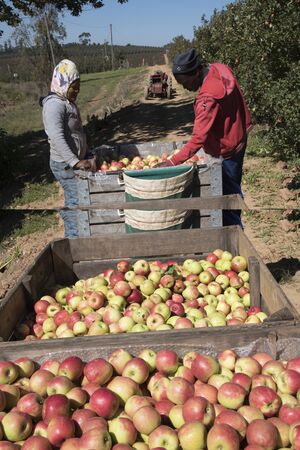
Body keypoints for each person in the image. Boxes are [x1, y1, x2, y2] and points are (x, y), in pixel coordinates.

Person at [158, 48, 252, 227]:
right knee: (233, 192)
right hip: (238, 137)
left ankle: (234, 239)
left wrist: (171, 162)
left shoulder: (207, 98)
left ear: (196, 71)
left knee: (227, 199)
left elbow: (197, 139)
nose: (184, 86)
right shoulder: (220, 68)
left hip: (227, 150)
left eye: (185, 82)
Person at [41, 59, 97, 237]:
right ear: (63, 83)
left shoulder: (66, 101)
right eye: (74, 86)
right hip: (65, 164)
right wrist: (75, 161)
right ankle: (73, 241)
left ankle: (79, 236)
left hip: (73, 162)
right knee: (75, 203)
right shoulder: (53, 105)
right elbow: (56, 137)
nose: (77, 90)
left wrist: (87, 153)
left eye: (78, 86)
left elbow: (76, 132)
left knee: (77, 200)